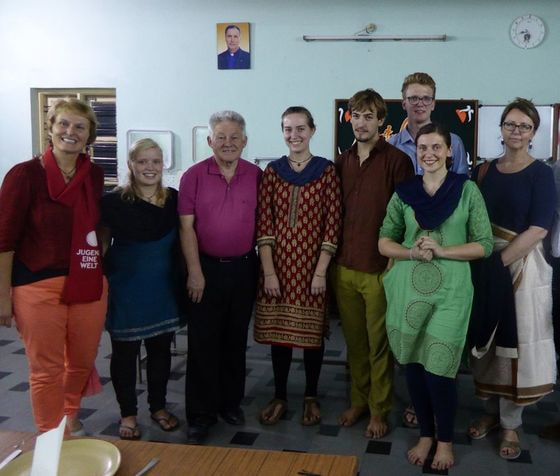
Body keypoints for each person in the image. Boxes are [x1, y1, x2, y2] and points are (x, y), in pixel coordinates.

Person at [379, 123, 493, 470]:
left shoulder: (466, 190)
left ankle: (444, 441)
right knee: (413, 364)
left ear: (449, 151)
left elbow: (484, 245)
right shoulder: (405, 193)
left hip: (450, 293)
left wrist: (442, 250)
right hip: (407, 290)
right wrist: (411, 253)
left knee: (439, 368)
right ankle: (425, 434)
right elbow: (384, 240)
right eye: (422, 148)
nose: (428, 154)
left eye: (436, 147)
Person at [0, 98, 107, 434]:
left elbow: (97, 223)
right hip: (36, 284)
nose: (70, 132)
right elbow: (4, 241)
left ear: (90, 134)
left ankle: (69, 416)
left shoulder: (94, 175)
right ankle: (50, 434)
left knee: (81, 361)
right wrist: (3, 297)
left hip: (86, 281)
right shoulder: (25, 175)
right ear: (50, 127)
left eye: (79, 126)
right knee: (46, 368)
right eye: (63, 124)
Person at [468, 98, 557, 459]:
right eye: (511, 124)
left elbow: (538, 227)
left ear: (533, 133)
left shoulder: (541, 173)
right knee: (485, 337)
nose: (516, 131)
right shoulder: (483, 171)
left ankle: (511, 425)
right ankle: (490, 412)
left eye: (524, 126)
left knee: (515, 343)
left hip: (519, 265)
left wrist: (501, 262)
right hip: (484, 261)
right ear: (501, 128)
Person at [333, 89, 414, 439]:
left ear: (382, 120)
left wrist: (395, 262)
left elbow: (407, 218)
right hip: (345, 266)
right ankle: (359, 401)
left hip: (380, 268)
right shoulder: (342, 160)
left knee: (380, 345)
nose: (361, 122)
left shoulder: (398, 161)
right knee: (354, 344)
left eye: (369, 116)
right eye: (356, 115)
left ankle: (380, 410)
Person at [254, 106, 341, 427]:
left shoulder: (326, 171)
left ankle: (310, 396)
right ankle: (279, 395)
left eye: (301, 128)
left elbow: (333, 224)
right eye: (288, 129)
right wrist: (269, 273)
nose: (295, 135)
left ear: (313, 131)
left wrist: (320, 271)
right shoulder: (273, 173)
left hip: (312, 270)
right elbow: (264, 223)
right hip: (276, 268)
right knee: (280, 337)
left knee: (311, 338)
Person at [179, 110, 261, 445]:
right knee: (202, 344)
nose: (228, 143)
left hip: (244, 268)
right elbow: (186, 227)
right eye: (221, 137)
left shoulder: (257, 175)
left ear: (245, 141)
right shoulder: (193, 176)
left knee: (235, 340)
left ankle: (230, 403)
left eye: (234, 137)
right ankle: (201, 414)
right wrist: (195, 272)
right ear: (210, 141)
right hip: (206, 270)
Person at [101, 138, 185, 440]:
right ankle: (128, 414)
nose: (149, 167)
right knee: (124, 355)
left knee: (161, 353)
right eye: (142, 161)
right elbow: (101, 246)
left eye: (155, 161)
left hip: (163, 288)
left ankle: (158, 407)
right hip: (126, 289)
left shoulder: (174, 199)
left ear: (163, 165)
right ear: (130, 165)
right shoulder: (113, 202)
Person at [389, 72, 469, 176]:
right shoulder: (392, 145)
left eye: (426, 98)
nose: (420, 104)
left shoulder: (453, 142)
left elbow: (462, 186)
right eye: (414, 98)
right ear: (404, 104)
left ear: (433, 104)